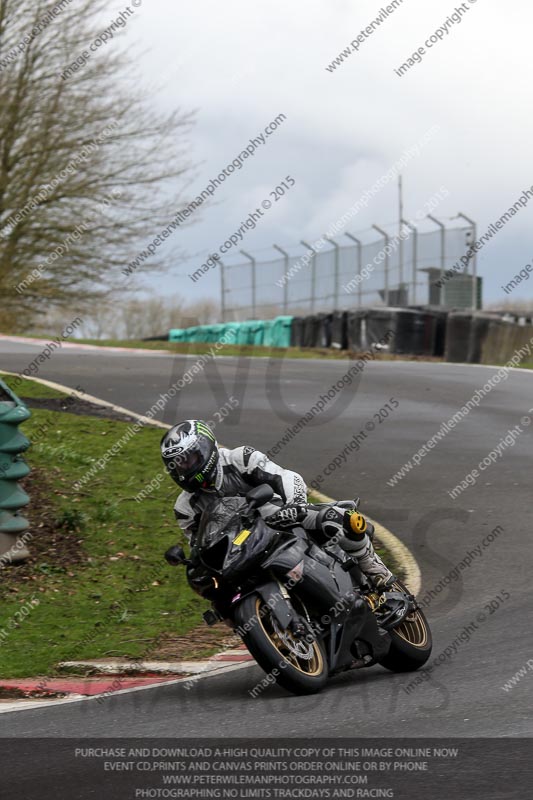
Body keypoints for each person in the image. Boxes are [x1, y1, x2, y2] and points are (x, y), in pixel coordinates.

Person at [161, 419, 394, 588]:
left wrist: (295, 505)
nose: (183, 469)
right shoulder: (185, 508)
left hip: (282, 519)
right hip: (244, 549)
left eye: (187, 460)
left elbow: (287, 477)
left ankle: (372, 567)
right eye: (177, 465)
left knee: (336, 520)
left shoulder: (239, 458)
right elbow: (200, 546)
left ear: (204, 449)